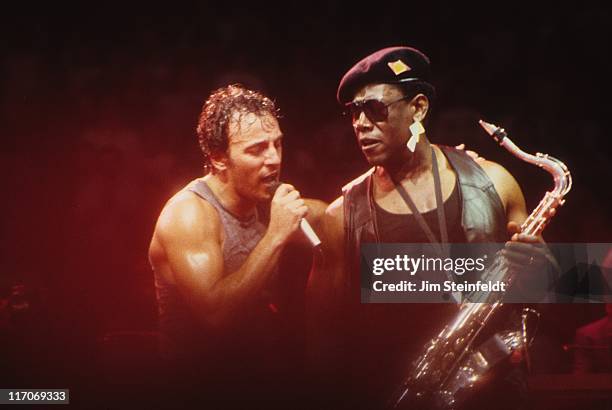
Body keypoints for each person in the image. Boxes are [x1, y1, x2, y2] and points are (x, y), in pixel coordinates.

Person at [307, 46, 556, 409]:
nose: (360, 124)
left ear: (418, 107)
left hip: (494, 394)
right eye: (353, 112)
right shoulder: (340, 217)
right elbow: (321, 343)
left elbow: (548, 295)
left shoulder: (495, 183)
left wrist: (541, 267)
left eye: (374, 109)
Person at [148, 84, 326, 408]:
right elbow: (216, 317)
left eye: (277, 144)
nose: (273, 159)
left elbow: (339, 216)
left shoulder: (262, 197)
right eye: (257, 149)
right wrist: (276, 235)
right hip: (195, 392)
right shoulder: (189, 214)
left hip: (257, 383)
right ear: (218, 158)